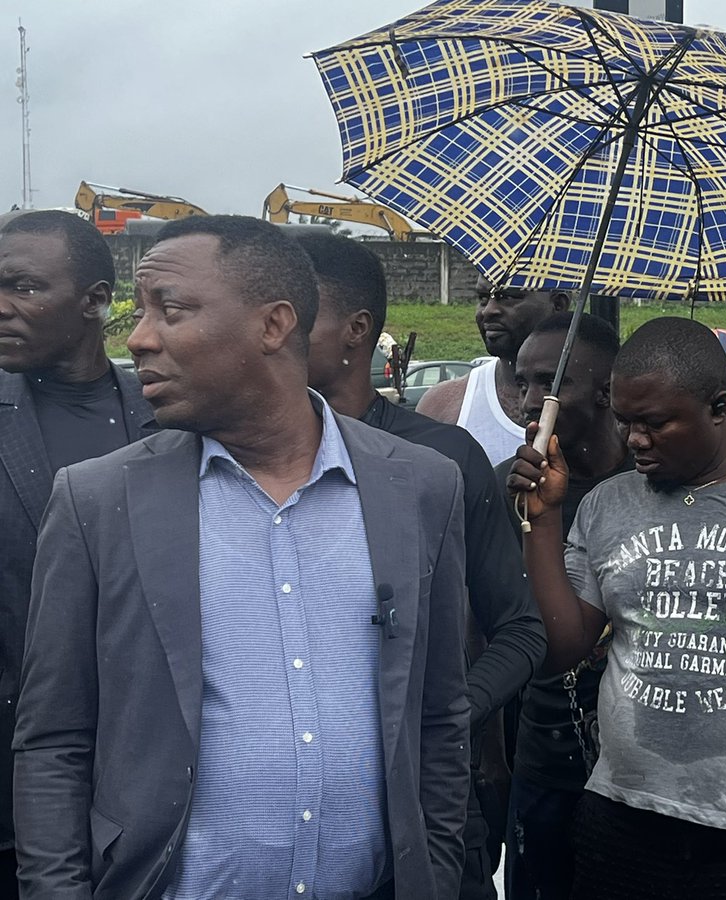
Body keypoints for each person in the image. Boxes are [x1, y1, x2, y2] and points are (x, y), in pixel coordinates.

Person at [13, 216, 470, 900]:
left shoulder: (421, 486)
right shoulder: (98, 499)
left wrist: (434, 873)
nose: (138, 338)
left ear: (273, 325)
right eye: (140, 313)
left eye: (171, 310)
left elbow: (438, 714)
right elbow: (55, 739)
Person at [296, 231, 546, 900]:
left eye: (297, 315)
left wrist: (448, 714)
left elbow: (521, 629)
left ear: (356, 330)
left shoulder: (442, 461)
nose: (275, 333)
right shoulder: (243, 464)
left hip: (426, 802)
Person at [507, 316, 726, 899]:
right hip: (622, 810)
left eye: (656, 423)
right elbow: (561, 648)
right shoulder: (608, 504)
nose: (635, 440)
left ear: (719, 406)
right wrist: (544, 519)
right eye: (625, 421)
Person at [0, 210, 156, 892]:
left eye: (24, 287)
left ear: (94, 301)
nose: (1, 305)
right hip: (14, 785)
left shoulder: (171, 416)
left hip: (147, 785)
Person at [494, 312, 630, 900]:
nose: (530, 401)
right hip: (545, 756)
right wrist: (492, 757)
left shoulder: (649, 485)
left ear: (606, 391)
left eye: (551, 383)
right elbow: (485, 628)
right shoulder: (511, 489)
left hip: (636, 770)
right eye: (521, 381)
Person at [417, 276, 570, 464]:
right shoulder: (441, 406)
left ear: (558, 305)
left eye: (507, 297)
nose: (488, 310)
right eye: (483, 298)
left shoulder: (596, 407)